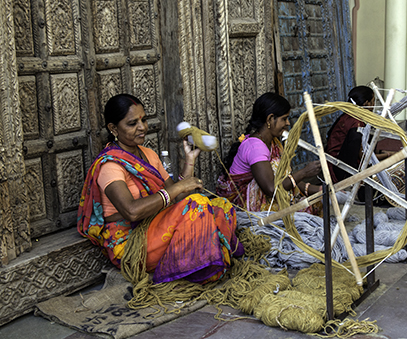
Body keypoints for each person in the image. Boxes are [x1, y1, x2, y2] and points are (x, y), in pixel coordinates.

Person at [77, 94, 242, 285]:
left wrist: (190, 160)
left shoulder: (148, 154)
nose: (142, 127)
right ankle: (196, 269)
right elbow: (131, 211)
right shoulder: (110, 166)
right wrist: (177, 189)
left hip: (156, 227)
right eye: (132, 123)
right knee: (198, 204)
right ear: (113, 128)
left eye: (144, 120)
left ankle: (198, 264)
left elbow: (178, 197)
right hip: (130, 243)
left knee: (222, 206)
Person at [217, 92, 322, 213]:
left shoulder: (273, 142)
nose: (287, 123)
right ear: (270, 119)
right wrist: (304, 172)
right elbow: (272, 190)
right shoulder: (255, 147)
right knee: (300, 213)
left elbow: (287, 179)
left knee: (316, 203)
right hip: (243, 205)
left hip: (270, 195)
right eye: (284, 118)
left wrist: (320, 190)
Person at [325, 85, 392, 184]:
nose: (373, 105)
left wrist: (382, 152)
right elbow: (363, 158)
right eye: (373, 101)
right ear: (366, 103)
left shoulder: (349, 116)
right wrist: (389, 155)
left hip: (338, 161)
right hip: (340, 168)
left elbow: (364, 146)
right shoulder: (356, 124)